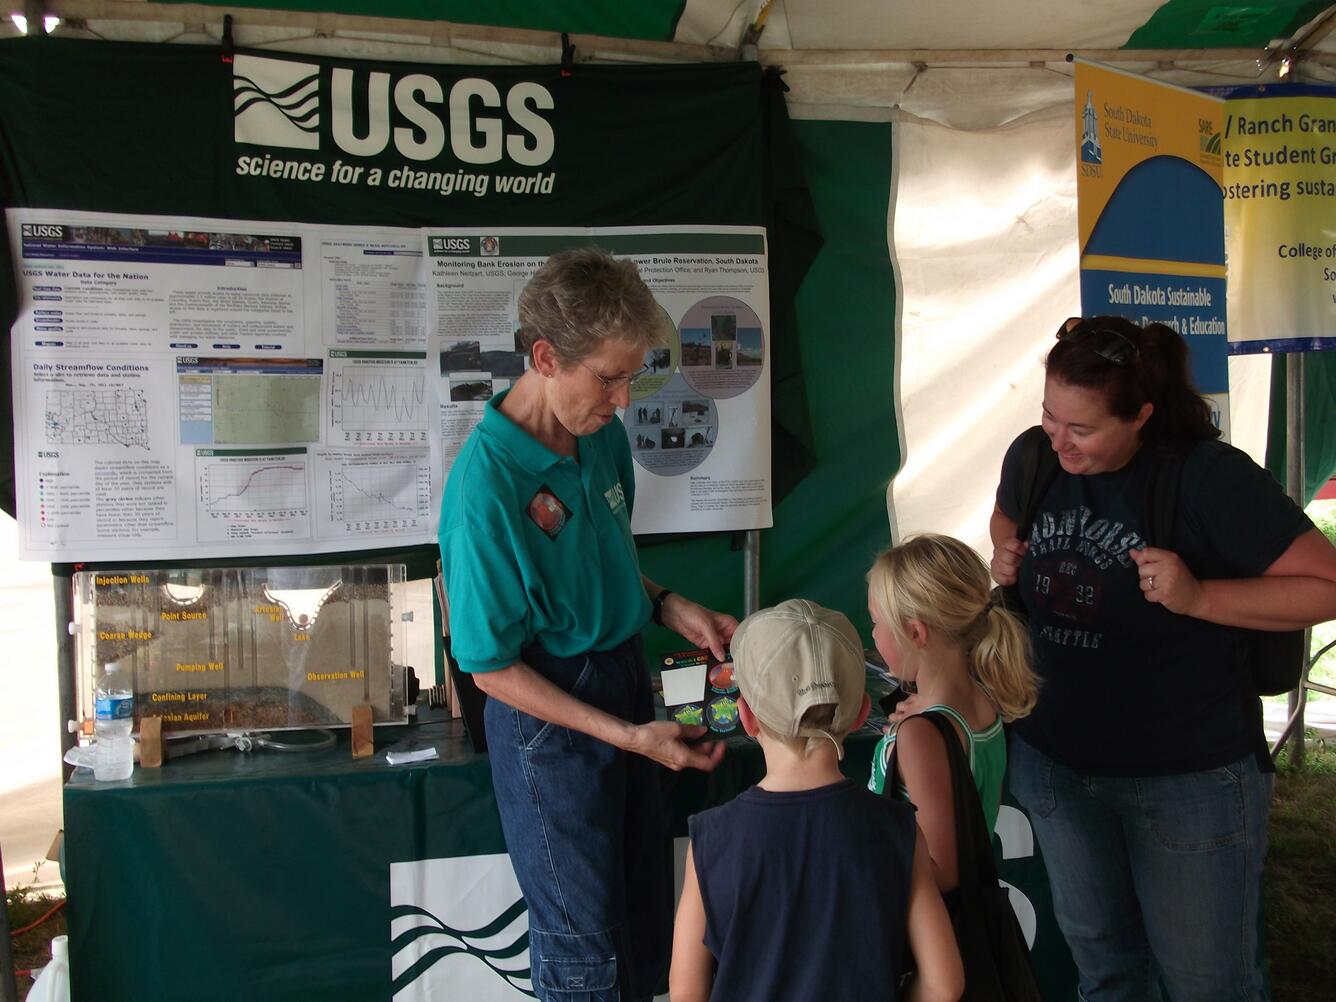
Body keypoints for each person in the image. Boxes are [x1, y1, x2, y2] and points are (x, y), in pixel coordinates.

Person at [990, 315, 1336, 1001]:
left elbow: (1326, 585)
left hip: (1187, 779)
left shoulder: (1211, 478)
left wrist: (1200, 594)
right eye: (1048, 417)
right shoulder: (1035, 456)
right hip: (1058, 764)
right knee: (1106, 970)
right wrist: (1006, 548)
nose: (1058, 439)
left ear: (1142, 415)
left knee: (1209, 983)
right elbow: (1008, 513)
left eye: (1080, 429)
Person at [438, 248, 738, 1002]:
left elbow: (597, 557)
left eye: (632, 375)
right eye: (609, 376)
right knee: (584, 948)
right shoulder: (484, 487)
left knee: (641, 922)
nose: (625, 398)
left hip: (625, 672)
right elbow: (489, 666)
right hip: (550, 715)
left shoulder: (598, 432)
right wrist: (630, 737)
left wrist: (667, 602)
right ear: (544, 356)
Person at [669, 599, 963, 1002]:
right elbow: (944, 984)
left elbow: (686, 992)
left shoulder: (712, 838)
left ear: (747, 718)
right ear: (862, 714)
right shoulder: (897, 828)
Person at [866, 534, 1039, 891]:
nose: (874, 634)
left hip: (919, 923)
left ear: (914, 633)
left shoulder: (924, 733)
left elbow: (942, 872)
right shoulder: (980, 697)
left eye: (876, 622)